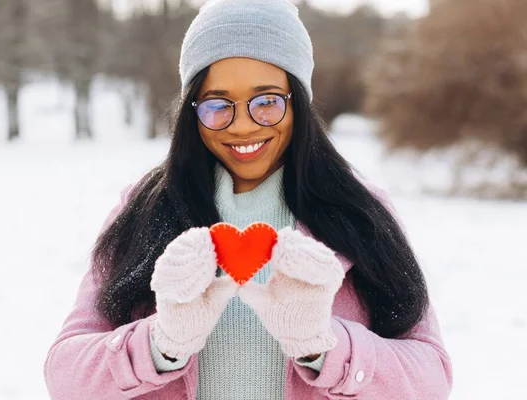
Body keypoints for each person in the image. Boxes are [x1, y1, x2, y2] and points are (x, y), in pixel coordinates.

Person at [43, 0, 453, 399]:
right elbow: (65, 376)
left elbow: (432, 379)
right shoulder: (147, 209)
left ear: (299, 104)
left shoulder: (361, 212)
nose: (242, 126)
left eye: (267, 102)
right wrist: (159, 343)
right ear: (193, 110)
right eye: (218, 105)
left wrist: (323, 346)